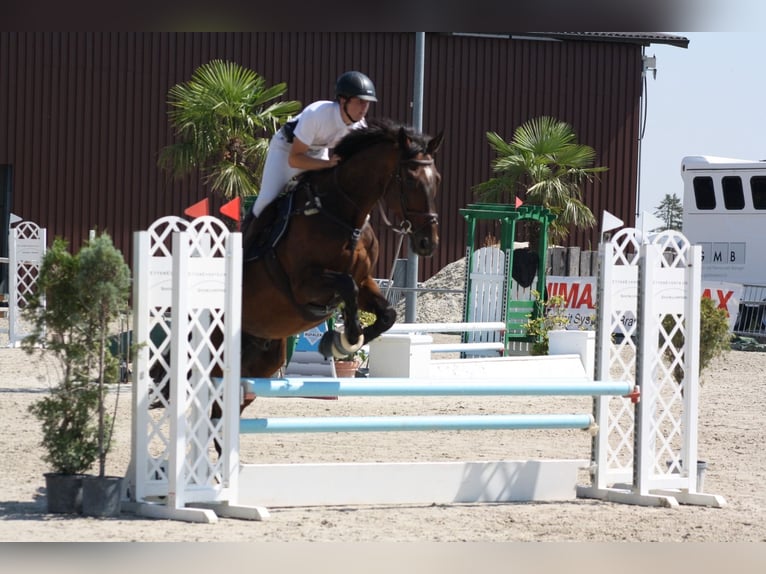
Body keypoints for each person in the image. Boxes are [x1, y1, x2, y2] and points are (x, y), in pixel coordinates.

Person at [249, 70, 378, 218]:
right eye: (360, 101)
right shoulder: (317, 114)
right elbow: (295, 159)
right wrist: (327, 164)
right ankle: (247, 237)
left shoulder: (360, 127)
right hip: (286, 150)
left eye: (367, 103)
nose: (364, 108)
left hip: (318, 152)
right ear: (343, 100)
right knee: (266, 201)